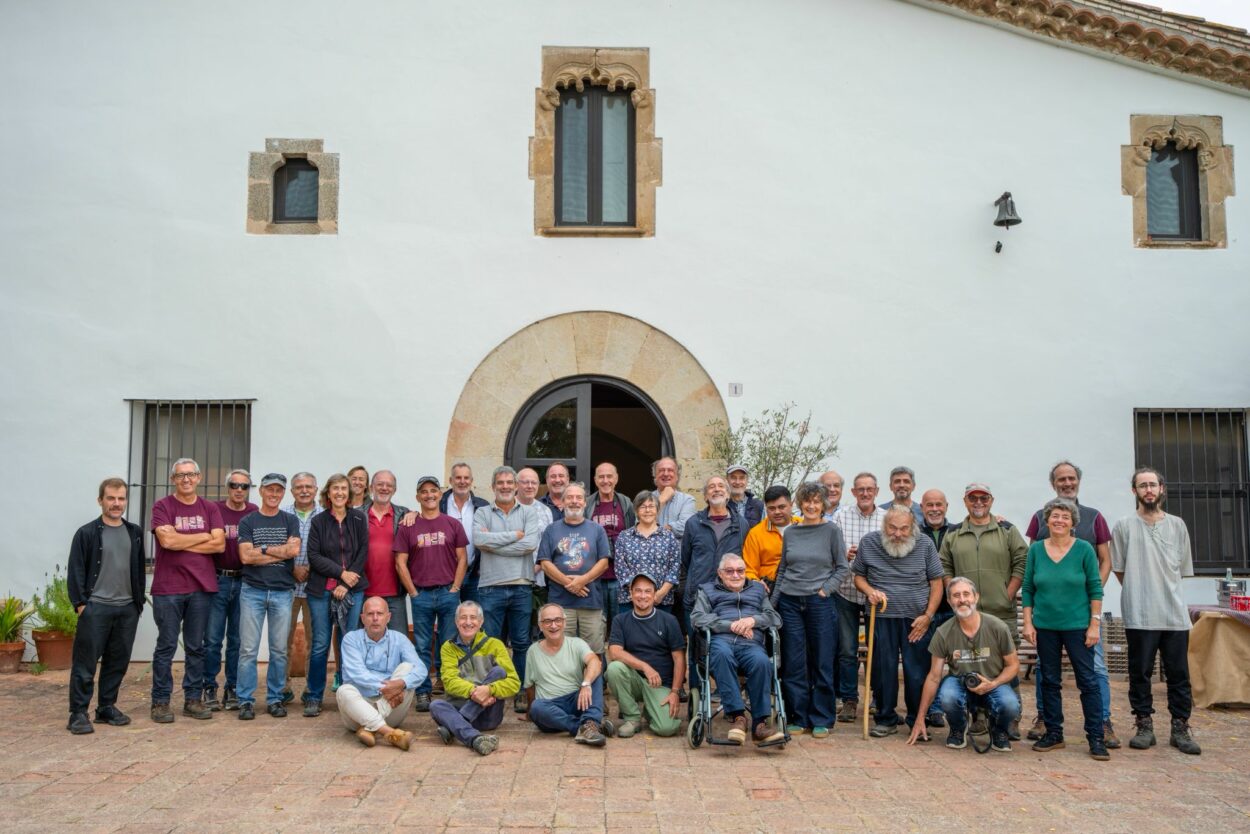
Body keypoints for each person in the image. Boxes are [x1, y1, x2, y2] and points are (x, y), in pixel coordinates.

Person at [1025, 460, 1117, 747]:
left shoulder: (1087, 540)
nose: (1059, 520)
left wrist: (1093, 616)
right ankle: (1053, 732)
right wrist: (1029, 621)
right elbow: (1029, 585)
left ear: (1073, 522)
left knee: (1089, 678)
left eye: (1071, 478)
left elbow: (1100, 574)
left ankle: (1098, 734)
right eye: (1054, 517)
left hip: (1080, 624)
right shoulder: (1038, 547)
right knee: (1048, 679)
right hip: (1046, 625)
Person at [1112, 467, 1201, 755]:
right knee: (1140, 672)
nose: (1148, 490)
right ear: (1134, 491)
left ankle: (1180, 726)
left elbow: (1181, 568)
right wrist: (1141, 589)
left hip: (1174, 613)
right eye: (1142, 485)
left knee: (1178, 673)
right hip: (1139, 612)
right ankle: (1144, 724)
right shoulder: (1124, 526)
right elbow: (1120, 569)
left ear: (1161, 488)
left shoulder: (1177, 525)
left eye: (1153, 485)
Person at [939, 482, 1028, 738]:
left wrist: (1008, 592)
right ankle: (978, 716)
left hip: (1001, 611)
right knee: (972, 661)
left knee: (1006, 664)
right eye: (973, 498)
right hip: (967, 615)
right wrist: (954, 594)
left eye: (983, 497)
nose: (978, 502)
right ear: (965, 501)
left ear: (991, 500)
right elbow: (944, 565)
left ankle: (1010, 718)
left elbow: (1022, 561)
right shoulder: (954, 534)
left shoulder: (1007, 530)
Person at [854, 505, 944, 738]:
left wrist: (928, 616)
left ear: (912, 527)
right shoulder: (869, 542)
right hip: (881, 616)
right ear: (884, 526)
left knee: (916, 671)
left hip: (917, 619)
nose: (897, 534)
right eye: (892, 528)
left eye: (904, 529)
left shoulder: (924, 544)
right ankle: (886, 718)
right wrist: (870, 591)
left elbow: (937, 582)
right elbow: (859, 576)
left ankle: (917, 718)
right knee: (883, 669)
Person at [66, 478, 146, 734]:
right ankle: (78, 713)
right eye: (111, 498)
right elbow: (76, 570)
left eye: (121, 498)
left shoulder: (134, 532)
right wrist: (81, 604)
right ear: (100, 500)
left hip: (126, 609)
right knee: (85, 664)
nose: (116, 503)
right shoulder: (87, 533)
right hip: (95, 608)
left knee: (117, 662)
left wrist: (138, 604)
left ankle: (106, 708)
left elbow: (139, 570)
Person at [149, 458, 225, 723]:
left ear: (199, 477)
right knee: (166, 646)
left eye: (191, 474)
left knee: (196, 647)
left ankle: (193, 699)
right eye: (180, 475)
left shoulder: (210, 508)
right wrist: (204, 536)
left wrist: (182, 541)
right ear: (173, 479)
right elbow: (167, 541)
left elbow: (219, 546)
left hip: (201, 588)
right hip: (168, 588)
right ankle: (160, 702)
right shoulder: (162, 506)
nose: (186, 479)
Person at [771, 481, 849, 737]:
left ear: (823, 504)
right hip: (790, 602)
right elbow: (783, 568)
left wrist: (825, 590)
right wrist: (774, 602)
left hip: (819, 603)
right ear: (800, 503)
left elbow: (842, 568)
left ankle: (822, 718)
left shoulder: (832, 531)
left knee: (822, 660)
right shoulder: (791, 532)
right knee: (794, 662)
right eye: (807, 501)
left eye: (817, 501)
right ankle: (798, 716)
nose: (812, 505)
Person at [907, 577, 1021, 752]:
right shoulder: (943, 632)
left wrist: (994, 683)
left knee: (1010, 703)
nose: (962, 599)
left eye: (966, 594)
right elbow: (934, 677)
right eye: (956, 595)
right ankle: (958, 728)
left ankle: (999, 730)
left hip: (993, 682)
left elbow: (1013, 665)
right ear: (949, 601)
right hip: (960, 682)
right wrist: (920, 717)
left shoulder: (997, 627)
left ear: (976, 597)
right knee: (947, 694)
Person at [692, 554, 785, 745]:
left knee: (761, 662)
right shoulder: (707, 590)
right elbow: (697, 618)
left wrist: (752, 621)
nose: (736, 575)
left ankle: (759, 725)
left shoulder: (758, 590)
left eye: (740, 571)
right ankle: (738, 717)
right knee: (721, 654)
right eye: (730, 571)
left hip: (751, 644)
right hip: (721, 640)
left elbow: (774, 618)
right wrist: (731, 625)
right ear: (720, 573)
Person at [394, 475, 468, 713]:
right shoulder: (408, 526)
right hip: (422, 595)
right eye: (423, 491)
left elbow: (462, 558)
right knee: (422, 646)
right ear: (418, 497)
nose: (429, 495)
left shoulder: (452, 524)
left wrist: (456, 587)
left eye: (433, 490)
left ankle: (448, 688)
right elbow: (400, 562)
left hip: (448, 593)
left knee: (449, 644)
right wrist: (413, 592)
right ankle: (423, 691)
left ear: (440, 494)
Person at [235, 473, 302, 720]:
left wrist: (261, 549)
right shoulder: (248, 521)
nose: (274, 494)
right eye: (269, 490)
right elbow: (245, 557)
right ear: (261, 491)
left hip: (283, 592)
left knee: (279, 650)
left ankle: (275, 698)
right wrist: (279, 552)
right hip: (252, 590)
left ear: (283, 493)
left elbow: (293, 550)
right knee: (248, 649)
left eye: (278, 490)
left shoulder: (290, 520)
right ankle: (245, 700)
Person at [474, 465, 540, 711]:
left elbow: (530, 545)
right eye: (499, 483)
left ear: (515, 487)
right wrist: (514, 535)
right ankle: (494, 689)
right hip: (490, 586)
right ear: (493, 487)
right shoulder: (482, 512)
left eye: (508, 483)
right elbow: (480, 540)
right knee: (492, 642)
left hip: (522, 585)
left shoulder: (528, 512)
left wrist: (495, 544)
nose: (504, 486)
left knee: (521, 642)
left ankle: (521, 689)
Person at [304, 473, 369, 717]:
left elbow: (363, 551)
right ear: (328, 493)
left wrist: (348, 581)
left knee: (348, 642)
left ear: (349, 492)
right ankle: (314, 695)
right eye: (335, 489)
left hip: (353, 589)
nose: (340, 492)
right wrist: (342, 574)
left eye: (344, 488)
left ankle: (348, 694)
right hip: (321, 590)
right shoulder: (319, 521)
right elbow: (314, 555)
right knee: (320, 644)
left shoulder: (358, 518)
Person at [831, 472, 886, 724]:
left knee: (878, 648)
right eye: (860, 489)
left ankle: (877, 696)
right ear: (853, 492)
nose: (865, 493)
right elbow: (832, 552)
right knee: (847, 648)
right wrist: (846, 554)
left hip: (876, 593)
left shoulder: (886, 519)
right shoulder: (841, 517)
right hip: (846, 591)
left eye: (869, 489)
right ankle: (849, 698)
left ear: (876, 491)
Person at [430, 601, 519, 756]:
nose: (468, 622)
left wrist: (489, 689)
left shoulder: (495, 645)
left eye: (473, 617)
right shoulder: (448, 648)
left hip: (488, 715)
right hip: (458, 707)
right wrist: (476, 693)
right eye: (463, 618)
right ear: (457, 622)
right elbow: (449, 683)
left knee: (499, 672)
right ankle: (475, 739)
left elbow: (514, 683)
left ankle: (455, 728)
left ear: (481, 621)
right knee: (436, 705)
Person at [337, 596, 425, 750]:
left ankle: (369, 728)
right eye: (370, 614)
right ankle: (389, 733)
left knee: (408, 668)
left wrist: (401, 684)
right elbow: (357, 674)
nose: (375, 618)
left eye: (380, 613)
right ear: (362, 618)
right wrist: (389, 688)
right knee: (343, 690)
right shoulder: (351, 639)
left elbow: (421, 669)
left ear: (388, 617)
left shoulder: (400, 639)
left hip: (392, 709)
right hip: (356, 713)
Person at [605, 573, 685, 738]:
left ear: (655, 594)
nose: (643, 596)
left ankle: (651, 710)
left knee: (666, 729)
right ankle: (632, 718)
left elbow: (679, 658)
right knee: (614, 668)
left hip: (660, 684)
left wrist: (675, 692)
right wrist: (645, 667)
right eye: (638, 591)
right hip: (633, 679)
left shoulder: (669, 620)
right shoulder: (621, 620)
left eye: (647, 591)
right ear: (631, 594)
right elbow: (614, 651)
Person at [204, 469, 256, 712]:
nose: (239, 490)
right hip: (218, 580)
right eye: (234, 485)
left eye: (244, 486)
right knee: (213, 639)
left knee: (237, 639)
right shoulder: (213, 510)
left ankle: (232, 687)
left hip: (245, 581)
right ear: (227, 487)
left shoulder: (254, 512)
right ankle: (209, 686)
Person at [539, 482, 611, 654]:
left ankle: (594, 682)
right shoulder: (551, 530)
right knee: (562, 650)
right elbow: (545, 563)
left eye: (579, 497)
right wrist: (569, 583)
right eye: (569, 497)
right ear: (562, 503)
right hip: (560, 603)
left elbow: (604, 562)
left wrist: (582, 581)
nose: (574, 501)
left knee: (594, 650)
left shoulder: (597, 529)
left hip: (591, 601)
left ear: (585, 503)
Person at [524, 603, 608, 745]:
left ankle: (590, 723)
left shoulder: (576, 643)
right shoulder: (533, 651)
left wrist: (586, 683)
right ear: (540, 625)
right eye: (548, 621)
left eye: (558, 620)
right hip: (551, 709)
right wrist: (530, 712)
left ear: (564, 622)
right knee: (537, 707)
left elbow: (594, 661)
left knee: (595, 671)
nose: (553, 625)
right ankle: (587, 727)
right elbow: (529, 686)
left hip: (577, 701)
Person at [918, 488, 958, 728]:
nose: (934, 509)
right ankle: (930, 709)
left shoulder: (957, 531)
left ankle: (945, 707)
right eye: (929, 505)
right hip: (925, 608)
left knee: (954, 661)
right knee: (927, 661)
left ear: (946, 506)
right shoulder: (914, 533)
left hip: (953, 608)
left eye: (938, 505)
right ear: (921, 507)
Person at [280, 472, 320, 707]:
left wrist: (310, 568)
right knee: (282, 640)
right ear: (292, 491)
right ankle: (282, 687)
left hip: (315, 588)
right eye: (299, 487)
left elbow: (329, 549)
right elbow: (276, 545)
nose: (304, 490)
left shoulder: (324, 514)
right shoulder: (283, 514)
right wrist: (292, 568)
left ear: (316, 489)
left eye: (308, 487)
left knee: (315, 642)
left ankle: (311, 689)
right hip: (287, 587)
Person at [359, 469, 410, 634]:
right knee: (362, 643)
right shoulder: (357, 515)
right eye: (380, 484)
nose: (384, 488)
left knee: (399, 641)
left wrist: (416, 514)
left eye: (389, 485)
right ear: (371, 487)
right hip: (363, 592)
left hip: (395, 594)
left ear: (394, 490)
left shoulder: (404, 514)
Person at [613, 491, 680, 614]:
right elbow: (620, 567)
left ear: (658, 510)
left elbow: (675, 568)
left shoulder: (668, 536)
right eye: (643, 507)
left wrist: (660, 593)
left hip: (661, 600)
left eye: (651, 506)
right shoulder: (624, 536)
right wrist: (638, 593)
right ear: (636, 511)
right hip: (630, 600)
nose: (647, 510)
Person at [590, 462, 637, 631]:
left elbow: (633, 533)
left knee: (620, 623)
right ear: (595, 480)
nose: (605, 481)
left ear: (616, 479)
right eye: (601, 477)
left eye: (609, 476)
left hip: (620, 576)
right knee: (596, 625)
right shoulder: (588, 504)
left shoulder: (625, 503)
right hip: (595, 576)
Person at [440, 463, 489, 603]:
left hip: (474, 574)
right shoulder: (439, 504)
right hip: (447, 574)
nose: (462, 481)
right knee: (449, 621)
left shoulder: (483, 506)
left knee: (474, 619)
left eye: (466, 478)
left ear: (472, 481)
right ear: (450, 480)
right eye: (458, 478)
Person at [742, 485, 795, 589]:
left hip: (802, 585)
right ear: (766, 508)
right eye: (772, 508)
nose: (777, 512)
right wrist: (756, 583)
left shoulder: (803, 526)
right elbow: (749, 569)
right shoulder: (755, 534)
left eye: (782, 507)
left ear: (791, 504)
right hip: (770, 587)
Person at [653, 456, 695, 540]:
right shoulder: (644, 499)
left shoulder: (687, 500)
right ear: (655, 476)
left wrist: (654, 531)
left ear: (677, 476)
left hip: (677, 552)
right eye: (661, 470)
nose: (666, 473)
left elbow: (686, 527)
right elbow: (640, 526)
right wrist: (660, 501)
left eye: (670, 470)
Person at [726, 464, 765, 530]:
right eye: (733, 477)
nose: (737, 482)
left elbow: (765, 534)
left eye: (741, 478)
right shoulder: (721, 506)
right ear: (727, 480)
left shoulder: (759, 506)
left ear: (747, 481)